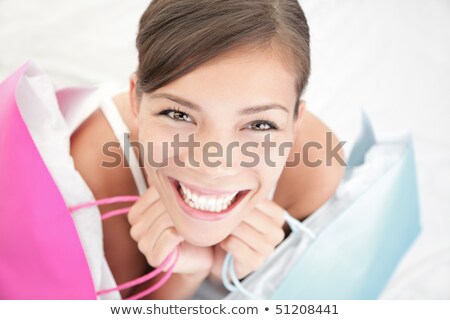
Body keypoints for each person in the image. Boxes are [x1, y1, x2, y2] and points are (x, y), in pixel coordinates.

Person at [70, 0, 345, 299]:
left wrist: (244, 272)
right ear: (137, 101)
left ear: (295, 123)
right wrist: (184, 275)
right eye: (178, 115)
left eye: (259, 125)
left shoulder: (316, 168)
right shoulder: (94, 171)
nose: (212, 166)